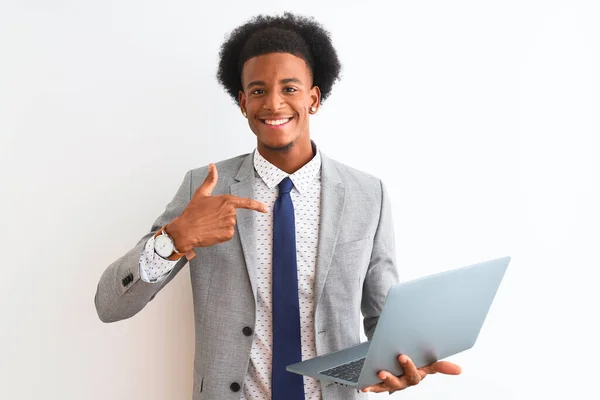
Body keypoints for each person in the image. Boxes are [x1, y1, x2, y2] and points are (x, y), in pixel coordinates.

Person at [94, 12, 461, 400]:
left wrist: (402, 363)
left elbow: (383, 318)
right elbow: (109, 305)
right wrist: (175, 237)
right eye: (257, 90)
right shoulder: (202, 188)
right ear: (242, 102)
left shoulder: (368, 194)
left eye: (289, 88)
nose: (273, 103)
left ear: (313, 98)